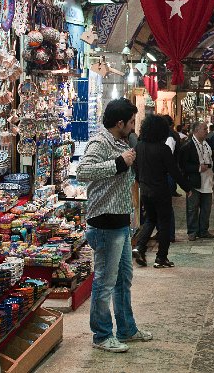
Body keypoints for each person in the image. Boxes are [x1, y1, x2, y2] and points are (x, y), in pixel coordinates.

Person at [77, 98, 152, 353]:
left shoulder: (122, 142)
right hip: (104, 223)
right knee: (105, 282)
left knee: (123, 280)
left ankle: (127, 328)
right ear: (119, 122)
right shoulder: (101, 142)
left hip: (120, 221)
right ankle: (101, 335)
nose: (133, 127)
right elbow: (83, 171)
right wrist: (119, 163)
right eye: (131, 122)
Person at [133, 115, 191, 268]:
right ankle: (161, 258)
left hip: (145, 191)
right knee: (164, 223)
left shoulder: (139, 147)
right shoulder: (163, 149)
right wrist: (187, 188)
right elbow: (174, 171)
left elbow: (136, 170)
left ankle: (140, 247)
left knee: (150, 219)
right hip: (161, 191)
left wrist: (142, 182)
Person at [179, 121, 214, 241]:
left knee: (206, 208)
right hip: (194, 181)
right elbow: (183, 165)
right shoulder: (188, 145)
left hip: (208, 180)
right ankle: (192, 231)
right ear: (196, 131)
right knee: (193, 208)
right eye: (204, 129)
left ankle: (203, 230)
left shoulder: (207, 143)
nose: (206, 131)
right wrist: (198, 168)